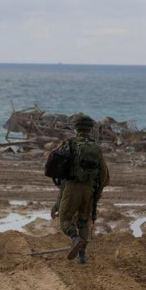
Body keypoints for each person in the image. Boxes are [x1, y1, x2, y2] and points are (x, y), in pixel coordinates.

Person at [53, 113, 109, 264]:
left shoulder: (69, 144)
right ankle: (82, 256)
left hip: (72, 188)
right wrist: (97, 193)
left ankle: (74, 238)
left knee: (65, 219)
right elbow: (104, 175)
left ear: (76, 128)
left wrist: (58, 202)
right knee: (84, 221)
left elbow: (62, 176)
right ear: (90, 129)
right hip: (89, 191)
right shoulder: (96, 148)